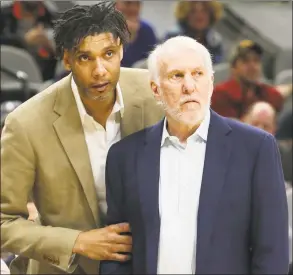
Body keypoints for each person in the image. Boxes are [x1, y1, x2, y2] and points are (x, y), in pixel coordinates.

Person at [100, 36, 289, 274]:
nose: (189, 86)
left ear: (211, 82)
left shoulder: (256, 148)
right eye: (176, 76)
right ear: (156, 89)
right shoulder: (123, 157)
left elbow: (272, 250)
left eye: (197, 74)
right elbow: (117, 251)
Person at [1, 2, 163, 274]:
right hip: (66, 269)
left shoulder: (155, 94)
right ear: (67, 60)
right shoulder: (25, 124)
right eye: (85, 57)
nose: (100, 70)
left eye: (108, 53)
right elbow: (4, 222)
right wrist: (76, 242)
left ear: (122, 50)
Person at [211, 40, 284, 119]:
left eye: (256, 61)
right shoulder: (220, 94)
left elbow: (278, 97)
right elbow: (231, 128)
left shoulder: (264, 92)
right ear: (233, 67)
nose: (252, 66)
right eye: (245, 61)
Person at [0, 1, 57, 80]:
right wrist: (23, 41)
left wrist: (52, 47)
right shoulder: (3, 15)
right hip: (7, 76)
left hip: (42, 80)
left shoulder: (51, 18)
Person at [115, 0, 157, 67]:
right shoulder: (103, 30)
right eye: (128, 3)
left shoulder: (147, 30)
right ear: (116, 4)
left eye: (137, 3)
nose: (133, 8)